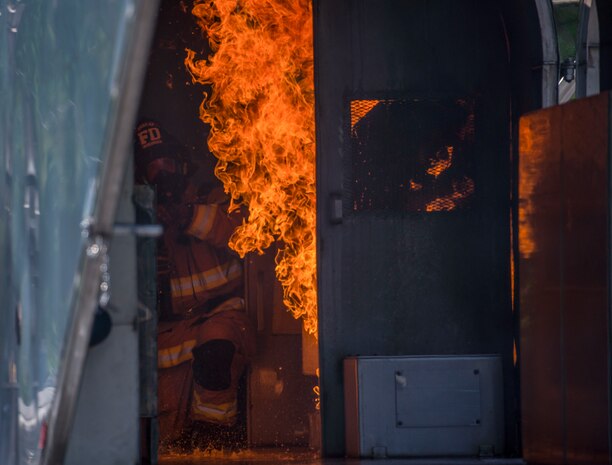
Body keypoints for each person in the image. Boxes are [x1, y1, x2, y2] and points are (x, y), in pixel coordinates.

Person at [134, 120, 256, 451]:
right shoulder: (136, 219)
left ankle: (216, 438)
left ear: (183, 164)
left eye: (168, 165)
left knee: (215, 347)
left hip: (223, 318)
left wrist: (188, 215)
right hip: (168, 333)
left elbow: (240, 234)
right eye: (153, 170)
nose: (164, 177)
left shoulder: (213, 199)